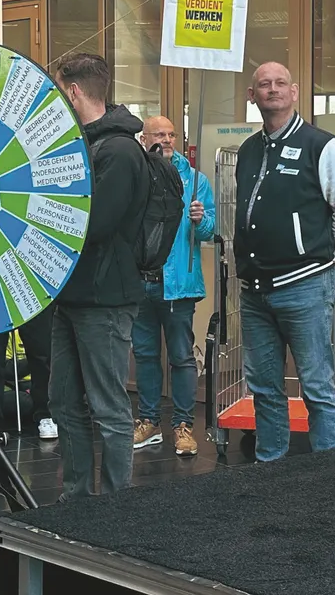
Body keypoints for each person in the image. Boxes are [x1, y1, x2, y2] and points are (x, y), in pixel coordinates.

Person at [233, 62, 335, 464]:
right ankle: (270, 468)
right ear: (252, 96)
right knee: (265, 388)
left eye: (279, 83)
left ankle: (328, 478)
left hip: (304, 288)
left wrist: (324, 255)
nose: (271, 90)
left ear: (294, 93)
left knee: (317, 386)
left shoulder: (323, 146)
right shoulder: (249, 150)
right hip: (255, 292)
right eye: (262, 85)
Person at [49, 53, 148, 500]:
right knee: (63, 403)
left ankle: (113, 505)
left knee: (108, 407)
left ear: (73, 91)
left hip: (105, 299)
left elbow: (97, 224)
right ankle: (76, 498)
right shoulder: (86, 145)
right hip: (72, 295)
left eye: (59, 90)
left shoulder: (121, 151)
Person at [132, 117, 215, 457]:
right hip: (140, 281)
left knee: (181, 357)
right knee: (145, 355)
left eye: (170, 134)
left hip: (178, 283)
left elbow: (211, 231)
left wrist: (202, 219)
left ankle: (183, 426)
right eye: (159, 135)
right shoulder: (134, 173)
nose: (166, 140)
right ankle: (148, 421)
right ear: (144, 138)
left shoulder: (195, 181)